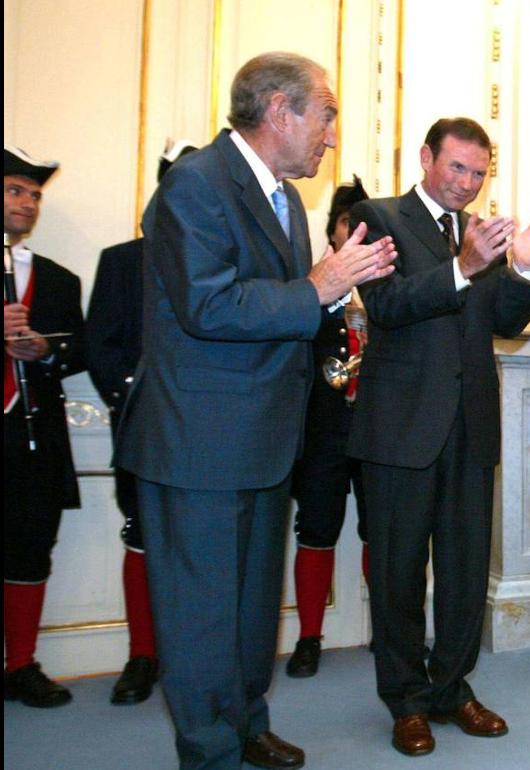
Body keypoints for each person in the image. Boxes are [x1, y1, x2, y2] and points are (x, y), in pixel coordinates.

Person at [113, 52, 397, 770]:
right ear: (280, 110)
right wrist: (319, 286)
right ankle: (208, 751)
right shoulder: (195, 185)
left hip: (265, 443)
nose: (332, 135)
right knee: (202, 616)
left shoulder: (285, 199)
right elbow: (208, 305)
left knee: (246, 612)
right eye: (326, 113)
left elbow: (282, 313)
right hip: (199, 444)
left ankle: (245, 723)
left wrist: (324, 291)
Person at [347, 117, 530, 758]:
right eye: (457, 167)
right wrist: (465, 267)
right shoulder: (378, 217)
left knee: (466, 573)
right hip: (400, 433)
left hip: (471, 430)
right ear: (426, 159)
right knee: (398, 575)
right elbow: (385, 305)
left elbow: (503, 323)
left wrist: (521, 268)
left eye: (478, 171)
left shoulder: (480, 235)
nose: (467, 182)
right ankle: (406, 701)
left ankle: (451, 686)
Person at [85, 140, 197, 706]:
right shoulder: (121, 260)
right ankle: (143, 655)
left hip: (208, 433)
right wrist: (141, 400)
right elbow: (99, 348)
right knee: (145, 539)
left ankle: (196, 657)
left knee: (206, 547)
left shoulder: (221, 259)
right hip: (142, 428)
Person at [3, 146, 85, 709]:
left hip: (33, 439)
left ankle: (20, 665)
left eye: (34, 195)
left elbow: (77, 350)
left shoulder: (56, 280)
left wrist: (40, 350)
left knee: (31, 549)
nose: (28, 203)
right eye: (15, 191)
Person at [285, 175, 372, 678]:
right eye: (348, 219)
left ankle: (387, 630)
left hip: (379, 432)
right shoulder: (308, 283)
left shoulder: (389, 288)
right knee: (315, 532)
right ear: (334, 231)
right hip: (322, 432)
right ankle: (309, 637)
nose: (358, 227)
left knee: (382, 533)